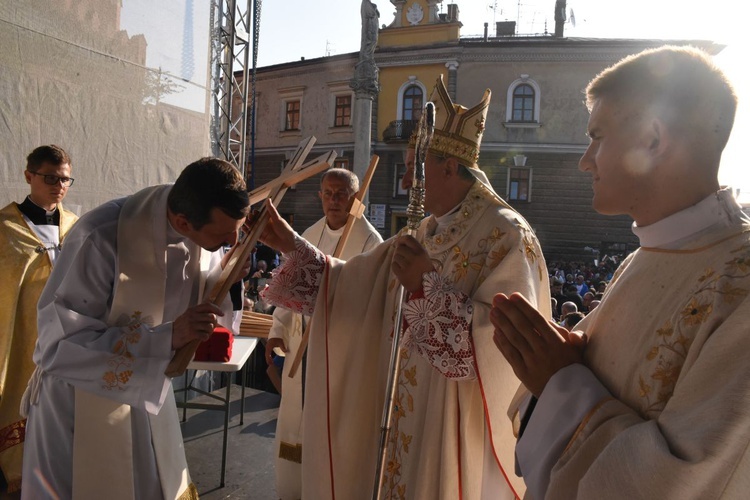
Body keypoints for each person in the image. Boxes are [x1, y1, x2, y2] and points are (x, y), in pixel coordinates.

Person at [260, 75, 550, 499]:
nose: (409, 179)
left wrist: (425, 287)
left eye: (417, 165)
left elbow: (505, 348)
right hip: (402, 412)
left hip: (452, 426)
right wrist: (289, 242)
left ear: (449, 165)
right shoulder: (426, 229)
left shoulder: (505, 234)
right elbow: (352, 282)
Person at [490, 45, 750, 499]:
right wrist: (562, 364)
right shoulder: (645, 255)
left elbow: (685, 483)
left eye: (598, 135)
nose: (584, 159)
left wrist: (561, 385)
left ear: (653, 139)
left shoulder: (740, 285)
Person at [20, 158, 251, 499]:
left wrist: (232, 275)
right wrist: (168, 337)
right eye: (222, 237)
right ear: (183, 222)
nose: (232, 240)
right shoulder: (100, 236)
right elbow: (60, 344)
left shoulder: (201, 223)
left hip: (144, 388)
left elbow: (204, 286)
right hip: (79, 395)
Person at [264, 167, 382, 499]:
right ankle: (293, 490)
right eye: (327, 194)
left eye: (341, 194)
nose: (333, 200)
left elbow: (370, 302)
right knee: (295, 425)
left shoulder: (370, 243)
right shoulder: (308, 234)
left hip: (338, 353)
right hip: (303, 344)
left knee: (328, 428)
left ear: (355, 197)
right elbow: (292, 284)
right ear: (319, 196)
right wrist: (277, 328)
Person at [0, 145, 78, 495]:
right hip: (20, 339)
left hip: (67, 341)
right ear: (29, 176)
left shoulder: (77, 227)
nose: (59, 186)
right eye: (50, 177)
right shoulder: (5, 229)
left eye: (65, 179)